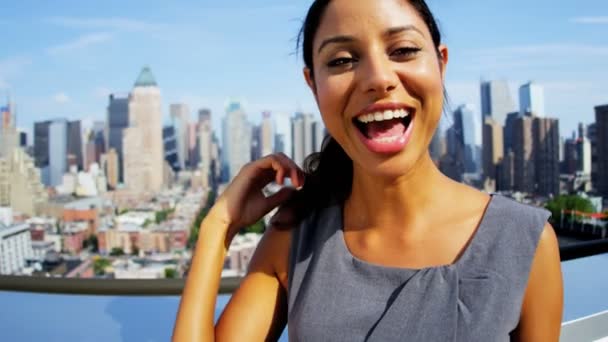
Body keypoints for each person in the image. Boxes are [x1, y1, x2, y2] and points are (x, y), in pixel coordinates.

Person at [172, 0, 563, 340]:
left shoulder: (524, 243)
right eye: (342, 61)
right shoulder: (292, 241)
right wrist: (217, 227)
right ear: (313, 84)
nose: (378, 79)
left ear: (440, 64)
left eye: (404, 50)